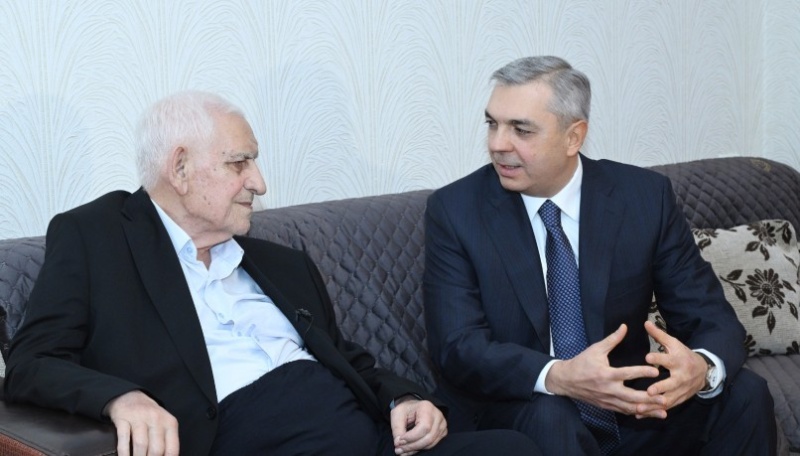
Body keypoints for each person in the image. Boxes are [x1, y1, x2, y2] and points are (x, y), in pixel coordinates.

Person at [4, 91, 540, 456]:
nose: (259, 183)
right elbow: (31, 362)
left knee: (514, 447)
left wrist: (407, 400)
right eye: (240, 163)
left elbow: (348, 359)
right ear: (180, 168)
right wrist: (120, 398)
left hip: (368, 437)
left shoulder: (281, 262)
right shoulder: (97, 236)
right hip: (247, 437)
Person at [423, 56, 777, 456]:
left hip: (628, 407)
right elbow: (458, 346)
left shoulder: (644, 198)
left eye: (520, 129)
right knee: (552, 418)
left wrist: (701, 368)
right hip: (525, 408)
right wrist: (559, 375)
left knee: (743, 393)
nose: (497, 144)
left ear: (573, 137)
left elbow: (708, 315)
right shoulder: (456, 211)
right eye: (493, 124)